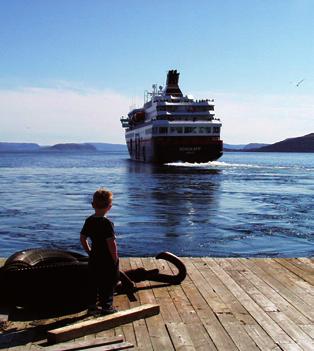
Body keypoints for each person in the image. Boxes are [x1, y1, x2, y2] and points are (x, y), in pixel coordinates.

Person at [80, 188, 119, 315]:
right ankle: (107, 306)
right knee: (108, 282)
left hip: (94, 256)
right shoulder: (107, 223)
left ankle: (91, 306)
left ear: (92, 205)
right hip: (106, 257)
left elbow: (82, 238)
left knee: (93, 281)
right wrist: (115, 258)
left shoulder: (89, 220)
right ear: (110, 206)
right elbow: (111, 243)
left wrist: (89, 251)